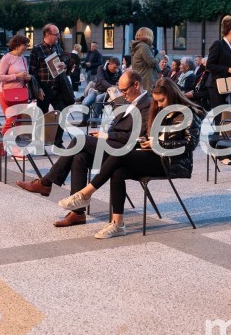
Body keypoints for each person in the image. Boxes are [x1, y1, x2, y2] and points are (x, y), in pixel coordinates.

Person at [58, 77, 203, 239]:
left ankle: (85, 194)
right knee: (118, 170)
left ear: (172, 95)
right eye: (157, 101)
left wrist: (158, 143)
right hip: (153, 155)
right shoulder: (160, 110)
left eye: (162, 100)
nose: (159, 104)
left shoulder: (189, 113)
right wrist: (145, 141)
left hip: (171, 162)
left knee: (120, 153)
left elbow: (190, 144)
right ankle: (118, 224)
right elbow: (152, 136)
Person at [16, 70, 153, 227]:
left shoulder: (148, 104)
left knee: (79, 139)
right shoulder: (129, 102)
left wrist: (107, 136)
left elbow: (135, 136)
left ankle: (46, 182)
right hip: (113, 146)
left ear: (136, 85)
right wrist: (104, 134)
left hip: (124, 151)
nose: (122, 93)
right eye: (120, 90)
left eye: (124, 90)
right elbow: (116, 126)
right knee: (79, 156)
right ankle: (77, 214)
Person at [29, 24, 67, 145]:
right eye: (56, 35)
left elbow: (64, 60)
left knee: (62, 112)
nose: (58, 37)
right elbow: (32, 71)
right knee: (42, 116)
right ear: (47, 34)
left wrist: (64, 64)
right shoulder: (37, 49)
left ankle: (58, 141)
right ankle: (40, 144)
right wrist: (38, 88)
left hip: (57, 86)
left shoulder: (57, 47)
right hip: (44, 88)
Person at [0, 35, 32, 155]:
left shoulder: (24, 59)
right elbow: (0, 77)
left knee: (20, 121)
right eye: (25, 45)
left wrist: (27, 77)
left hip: (21, 93)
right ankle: (1, 142)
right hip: (7, 93)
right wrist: (17, 76)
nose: (26, 47)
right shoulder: (7, 58)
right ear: (17, 45)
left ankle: (16, 147)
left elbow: (25, 75)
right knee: (11, 120)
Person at [206, 17, 231, 113]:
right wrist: (228, 70)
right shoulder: (218, 44)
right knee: (221, 116)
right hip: (218, 86)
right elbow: (209, 65)